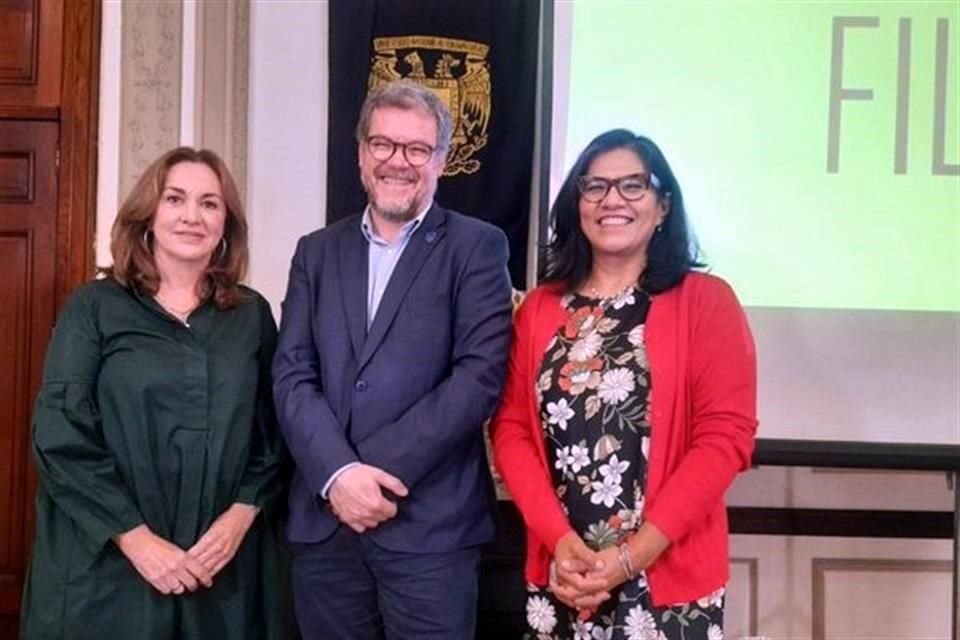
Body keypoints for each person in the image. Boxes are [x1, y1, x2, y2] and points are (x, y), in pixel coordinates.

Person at [490, 129, 757, 639]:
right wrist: (560, 543)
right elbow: (512, 430)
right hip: (563, 575)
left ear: (663, 206)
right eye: (595, 187)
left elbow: (725, 439)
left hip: (666, 576)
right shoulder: (540, 310)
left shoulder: (706, 302)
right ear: (578, 205)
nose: (612, 199)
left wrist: (633, 558)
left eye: (633, 186)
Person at [272, 79, 513, 639]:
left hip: (429, 530)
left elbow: (479, 377)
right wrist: (337, 475)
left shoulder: (477, 247)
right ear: (361, 153)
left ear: (442, 160)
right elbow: (291, 374)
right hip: (325, 528)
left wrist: (366, 478)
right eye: (383, 144)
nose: (397, 162)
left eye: (416, 149)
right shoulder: (317, 251)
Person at [20, 147, 288, 640]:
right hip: (109, 564)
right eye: (175, 199)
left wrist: (240, 516)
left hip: (220, 567)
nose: (192, 216)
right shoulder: (94, 308)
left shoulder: (251, 316)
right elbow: (59, 434)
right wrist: (137, 540)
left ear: (226, 224)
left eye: (210, 203)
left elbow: (273, 434)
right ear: (148, 214)